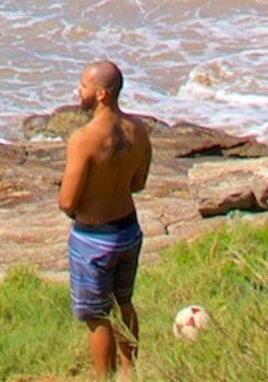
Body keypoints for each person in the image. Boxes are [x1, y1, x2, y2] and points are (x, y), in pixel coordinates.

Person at [59, 60, 154, 376]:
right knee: (124, 302)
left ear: (100, 94)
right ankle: (131, 371)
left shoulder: (83, 139)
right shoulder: (138, 130)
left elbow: (68, 200)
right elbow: (138, 184)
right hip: (128, 229)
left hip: (93, 239)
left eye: (83, 85)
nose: (78, 90)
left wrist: (77, 209)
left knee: (96, 316)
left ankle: (104, 378)